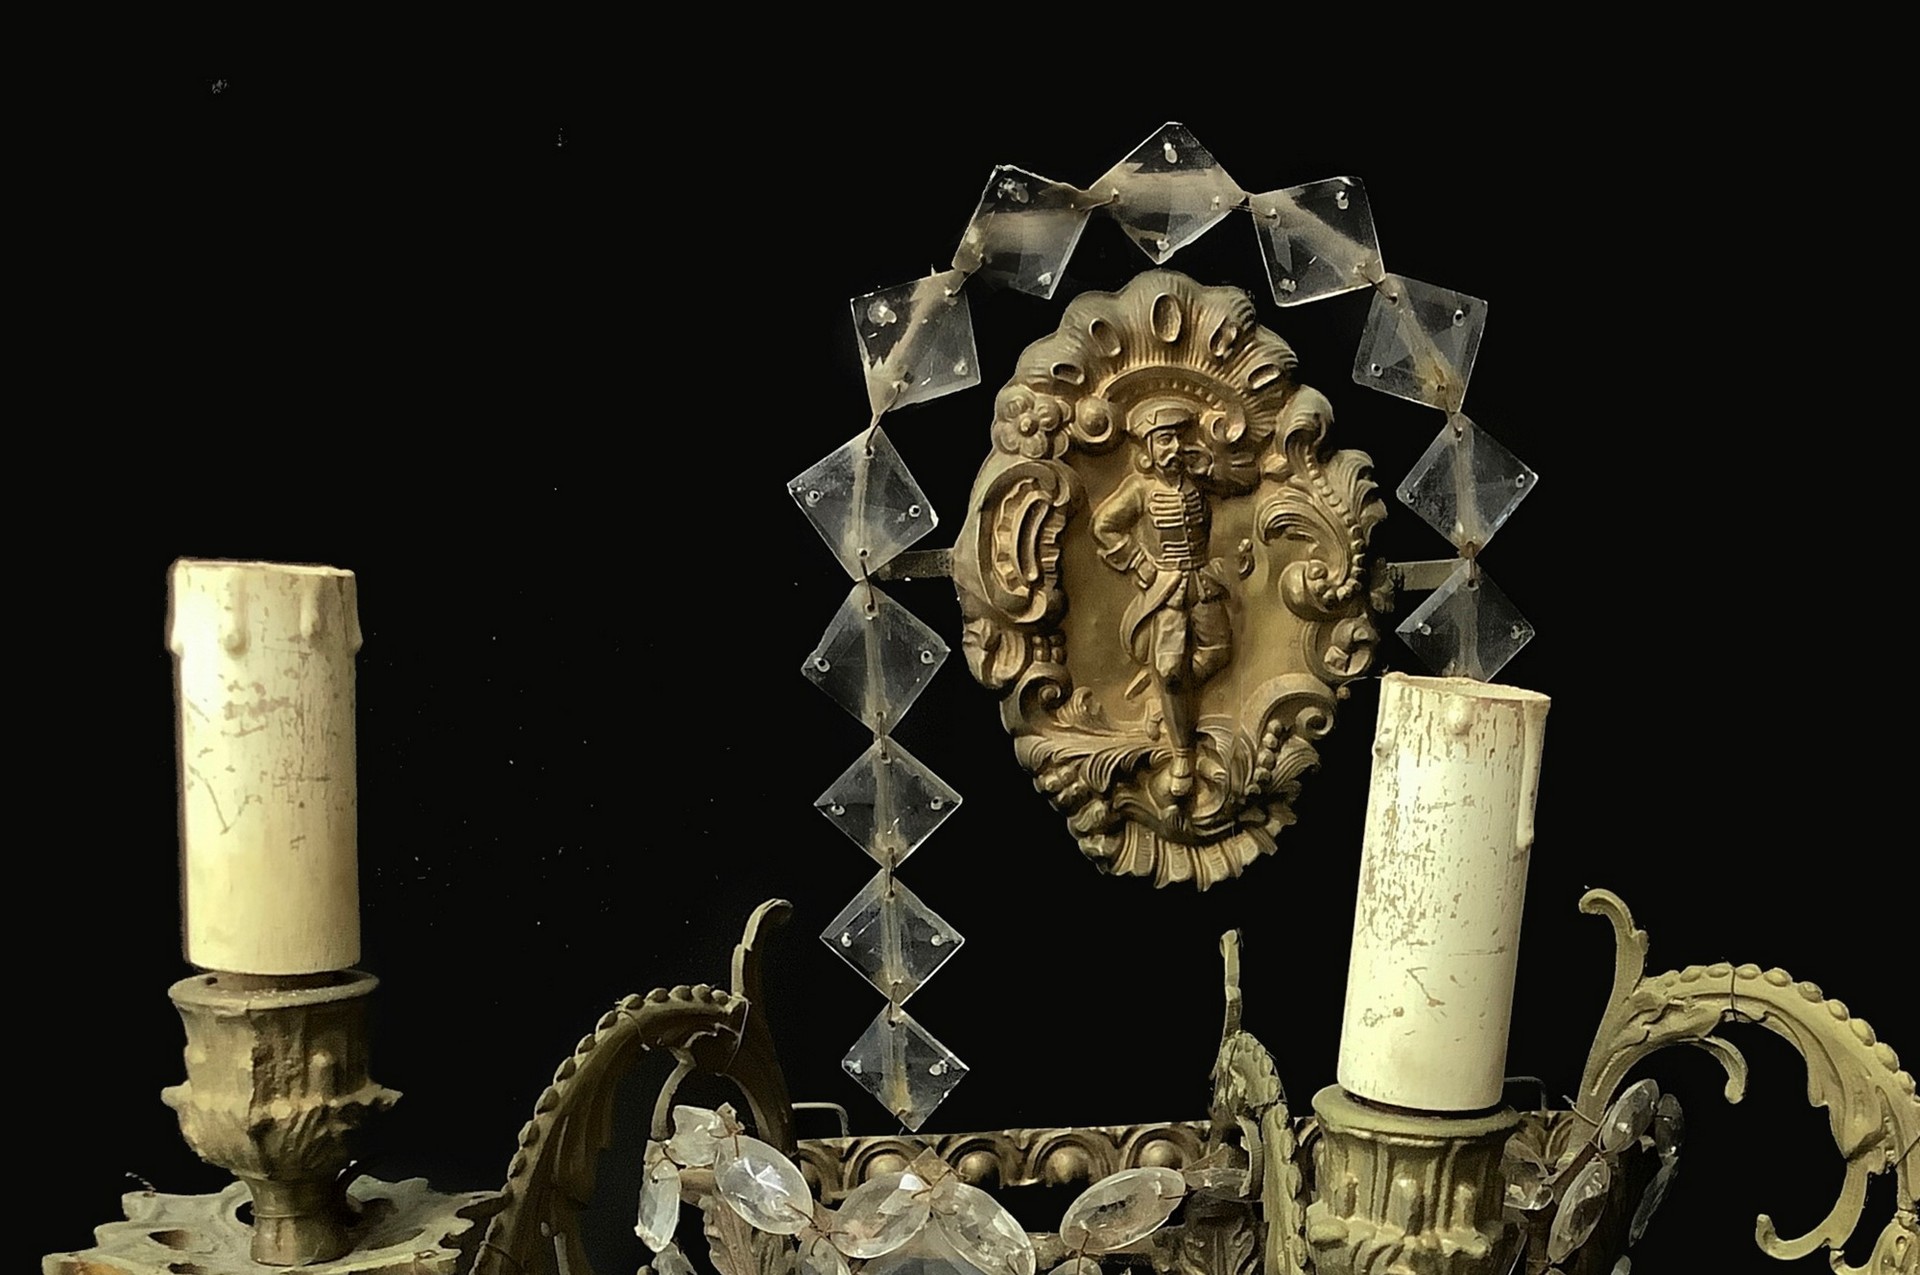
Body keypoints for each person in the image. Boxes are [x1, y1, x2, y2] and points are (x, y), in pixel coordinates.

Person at [1090, 400, 1235, 801]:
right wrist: (1139, 563)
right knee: (1170, 668)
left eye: (1179, 439)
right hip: (1166, 591)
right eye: (1165, 440)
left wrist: (1211, 466)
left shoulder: (1198, 480)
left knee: (1218, 652)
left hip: (1203, 583)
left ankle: (1166, 698)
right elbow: (1104, 526)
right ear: (1148, 449)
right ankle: (1182, 753)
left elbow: (1244, 481)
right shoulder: (1141, 490)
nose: (1174, 449)